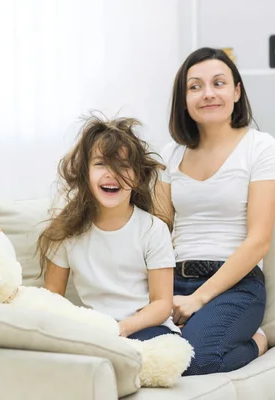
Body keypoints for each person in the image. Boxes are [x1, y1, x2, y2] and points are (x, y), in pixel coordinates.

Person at [155, 47, 275, 375]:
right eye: (195, 86)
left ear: (237, 91)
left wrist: (197, 299)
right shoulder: (170, 154)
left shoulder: (260, 147)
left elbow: (258, 241)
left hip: (236, 285)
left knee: (194, 359)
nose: (208, 93)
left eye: (218, 83)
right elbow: (157, 230)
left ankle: (257, 342)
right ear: (183, 98)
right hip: (173, 280)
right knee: (141, 352)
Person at [38, 114, 179, 341]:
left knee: (157, 357)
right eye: (101, 163)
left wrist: (122, 328)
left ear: (137, 176)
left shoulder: (153, 229)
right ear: (85, 173)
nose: (111, 174)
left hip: (146, 328)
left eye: (123, 166)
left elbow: (162, 304)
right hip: (96, 331)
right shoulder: (66, 232)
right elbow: (52, 299)